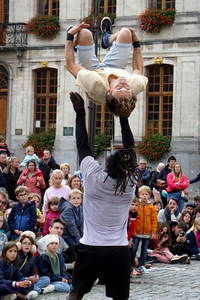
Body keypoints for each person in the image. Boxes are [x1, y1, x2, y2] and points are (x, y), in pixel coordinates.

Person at [67, 91, 141, 300]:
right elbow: (130, 149)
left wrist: (80, 112)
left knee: (77, 293)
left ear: (108, 163)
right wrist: (123, 115)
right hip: (118, 250)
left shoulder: (93, 175)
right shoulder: (130, 183)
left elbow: (82, 145)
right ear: (129, 167)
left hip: (91, 247)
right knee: (120, 298)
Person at [65, 19, 148, 118]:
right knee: (126, 32)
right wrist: (136, 43)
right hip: (117, 68)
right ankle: (106, 38)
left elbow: (70, 65)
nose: (123, 83)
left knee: (85, 33)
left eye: (119, 88)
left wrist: (69, 36)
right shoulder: (135, 86)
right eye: (127, 88)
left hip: (92, 69)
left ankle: (76, 43)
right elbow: (138, 69)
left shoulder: (95, 84)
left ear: (109, 91)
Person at [17, 233, 55, 298]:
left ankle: (30, 289)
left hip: (29, 281)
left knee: (46, 279)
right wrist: (27, 279)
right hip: (20, 280)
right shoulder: (16, 256)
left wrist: (35, 276)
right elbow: (15, 274)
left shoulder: (32, 258)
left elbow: (33, 272)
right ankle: (40, 290)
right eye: (24, 243)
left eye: (29, 244)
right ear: (20, 245)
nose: (27, 245)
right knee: (26, 282)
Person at [131, 186, 157, 273]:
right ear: (139, 195)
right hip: (137, 231)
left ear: (149, 195)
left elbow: (154, 219)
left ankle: (142, 264)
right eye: (142, 194)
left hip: (147, 231)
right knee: (134, 249)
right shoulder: (137, 206)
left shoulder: (151, 207)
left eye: (146, 194)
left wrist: (153, 231)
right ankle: (131, 265)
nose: (144, 196)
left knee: (144, 249)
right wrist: (133, 230)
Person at [127, 197, 141, 276]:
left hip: (129, 237)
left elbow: (132, 227)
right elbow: (126, 227)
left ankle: (131, 268)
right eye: (132, 205)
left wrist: (129, 238)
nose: (134, 207)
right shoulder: (127, 214)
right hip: (124, 237)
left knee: (132, 251)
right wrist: (127, 238)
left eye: (136, 205)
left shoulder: (135, 215)